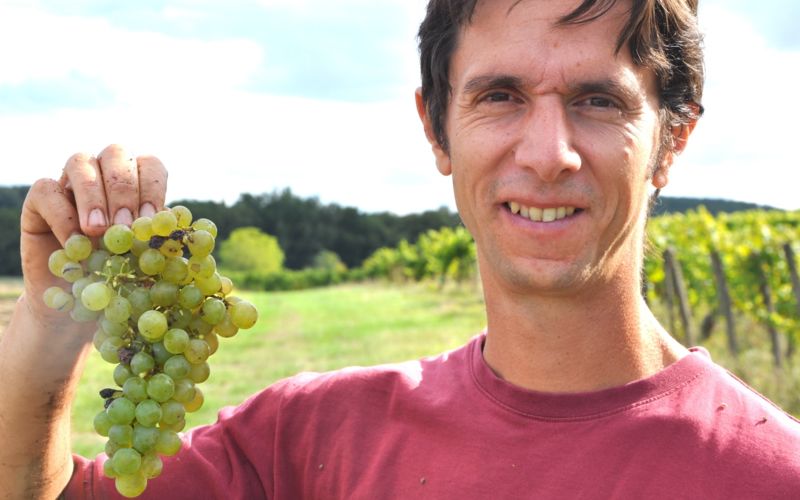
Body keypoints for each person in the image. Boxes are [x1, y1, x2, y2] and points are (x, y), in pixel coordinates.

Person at [2, 0, 799, 498]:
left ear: (674, 139)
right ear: (436, 127)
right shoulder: (305, 440)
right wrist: (51, 320)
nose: (549, 151)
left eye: (598, 100)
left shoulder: (773, 475)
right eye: (500, 97)